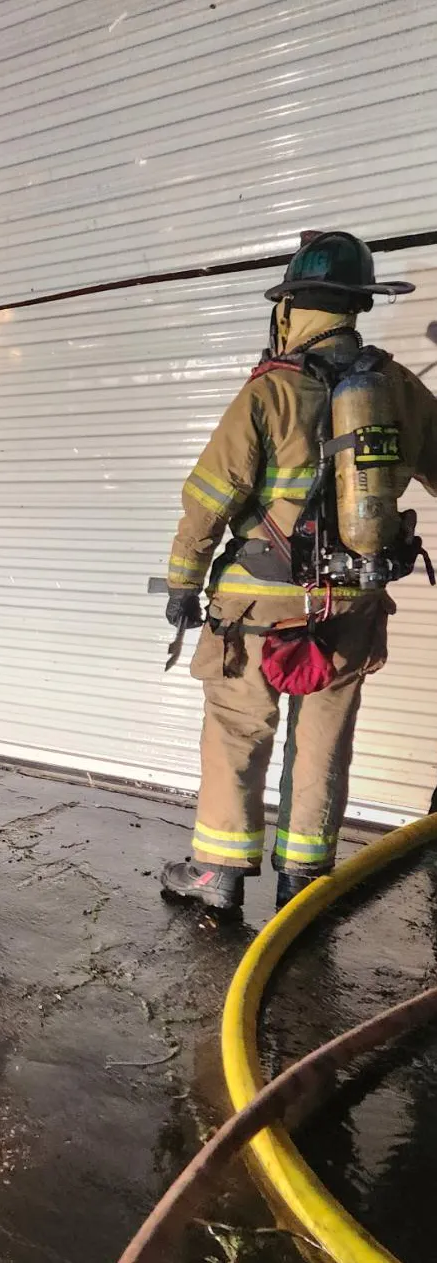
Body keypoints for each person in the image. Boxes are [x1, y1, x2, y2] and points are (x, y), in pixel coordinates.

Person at [161, 231, 437, 913]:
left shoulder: (269, 392)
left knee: (238, 730)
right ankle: (304, 881)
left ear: (289, 307)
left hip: (256, 611)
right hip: (350, 602)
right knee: (323, 739)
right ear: (356, 306)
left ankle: (218, 875)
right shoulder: (396, 387)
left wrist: (182, 581)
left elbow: (208, 499)